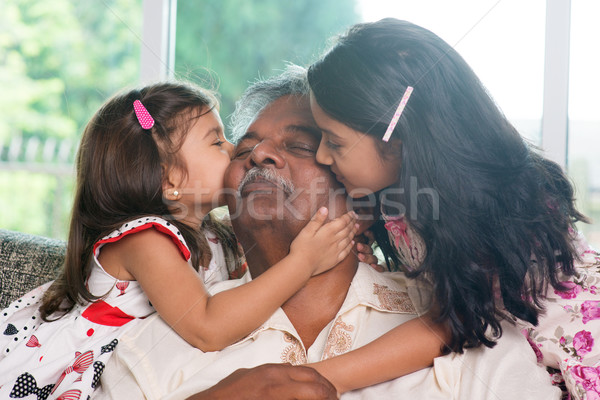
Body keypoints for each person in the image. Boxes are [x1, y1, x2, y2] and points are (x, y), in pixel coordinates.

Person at [97, 65, 560, 400]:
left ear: (363, 196)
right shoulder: (158, 338)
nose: (260, 157)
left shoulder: (462, 322)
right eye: (243, 150)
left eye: (301, 145)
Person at [0, 82, 360, 398]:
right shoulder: (145, 240)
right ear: (169, 178)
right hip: (71, 376)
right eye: (217, 141)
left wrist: (350, 253)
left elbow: (253, 277)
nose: (237, 149)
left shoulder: (214, 237)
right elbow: (207, 327)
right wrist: (305, 261)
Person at [307, 18, 600, 398]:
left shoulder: (481, 207)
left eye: (334, 141)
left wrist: (315, 377)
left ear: (395, 140)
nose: (321, 155)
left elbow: (446, 325)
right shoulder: (402, 189)